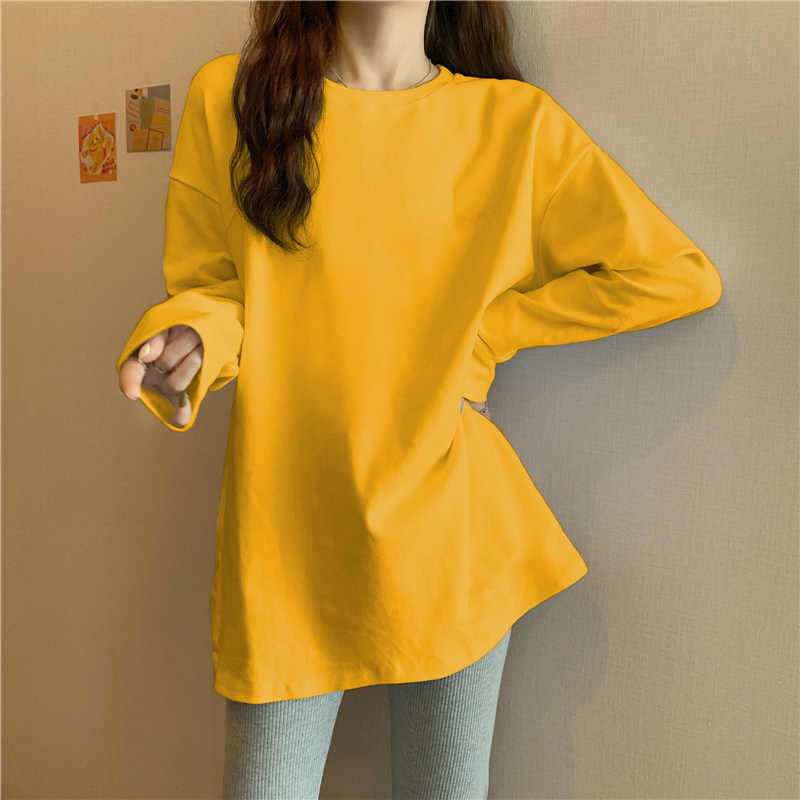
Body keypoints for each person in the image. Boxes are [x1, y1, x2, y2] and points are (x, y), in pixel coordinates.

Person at [115, 1, 723, 797]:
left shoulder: (513, 124)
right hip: (286, 536)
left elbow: (677, 275)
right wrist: (193, 336)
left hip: (450, 537)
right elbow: (216, 289)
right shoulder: (231, 98)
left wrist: (489, 332)